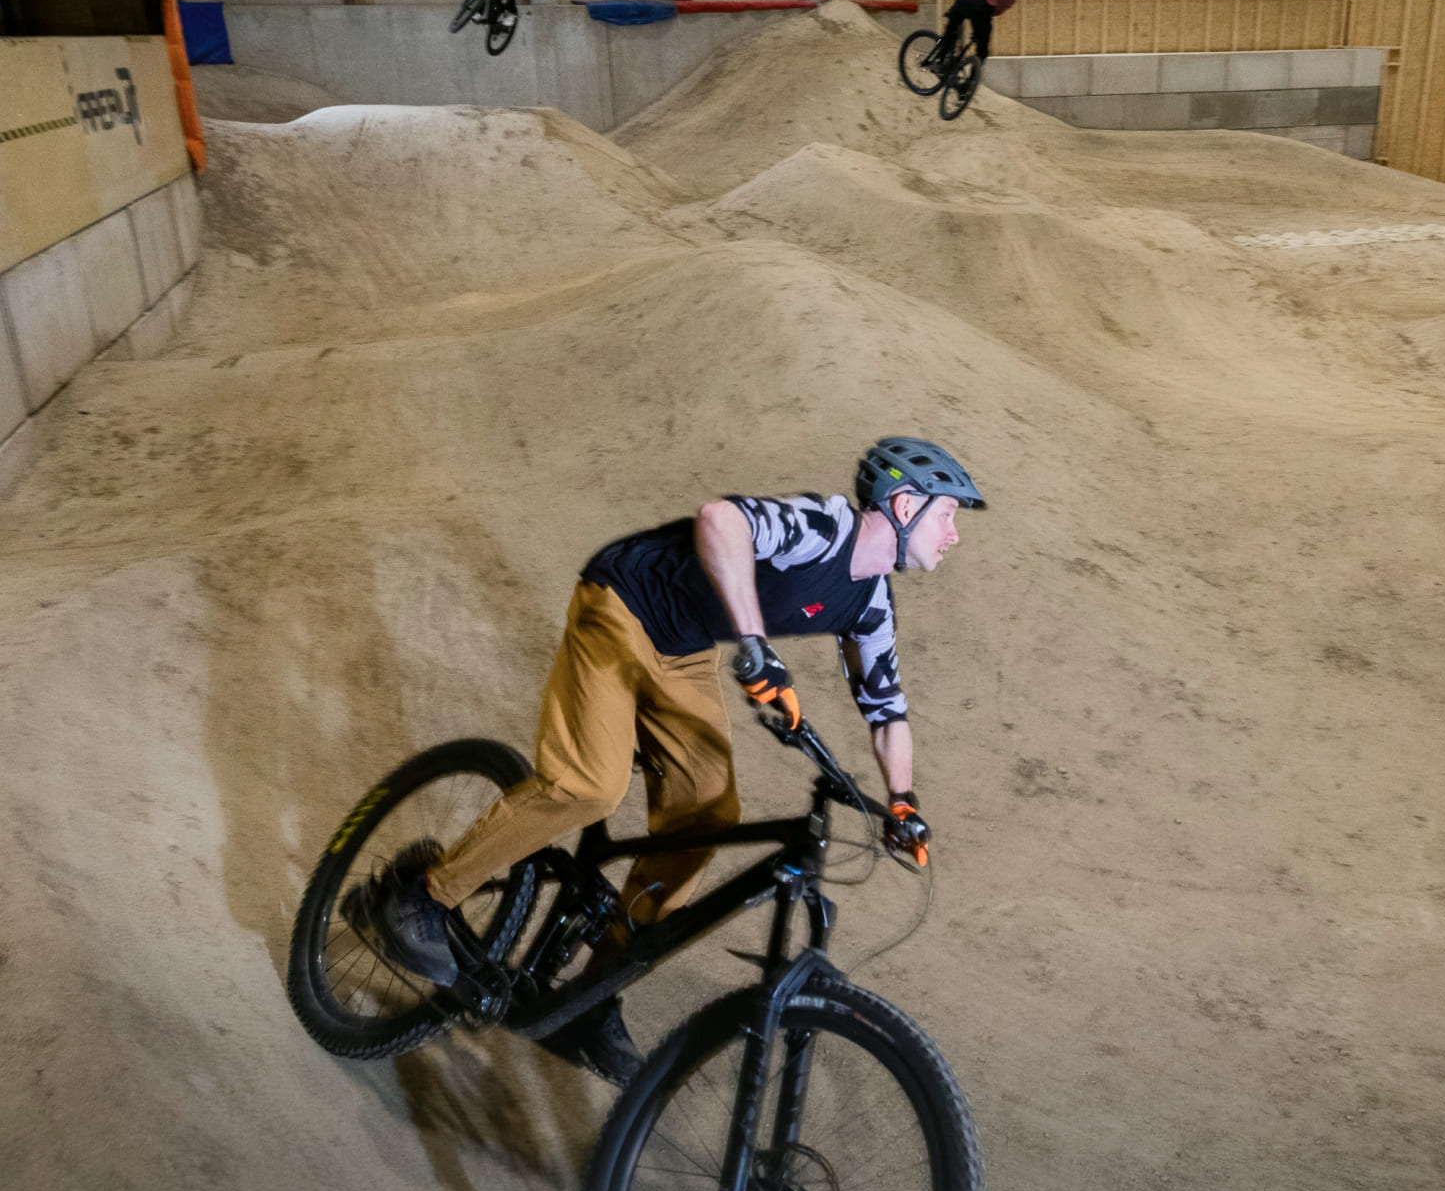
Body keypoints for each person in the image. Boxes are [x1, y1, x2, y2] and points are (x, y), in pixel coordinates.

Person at [370, 438, 986, 1076]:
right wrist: (752, 640)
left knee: (706, 820)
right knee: (591, 785)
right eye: (949, 516)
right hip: (623, 602)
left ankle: (594, 991)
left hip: (685, 651)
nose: (954, 536)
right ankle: (422, 897)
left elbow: (888, 711)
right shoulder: (825, 528)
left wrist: (903, 802)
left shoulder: (871, 603)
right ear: (906, 502)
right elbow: (720, 519)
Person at [936, 0, 1018, 69]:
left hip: (966, 2)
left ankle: (941, 60)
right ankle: (972, 79)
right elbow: (1000, 9)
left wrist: (953, 11)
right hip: (983, 12)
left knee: (952, 28)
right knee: (982, 47)